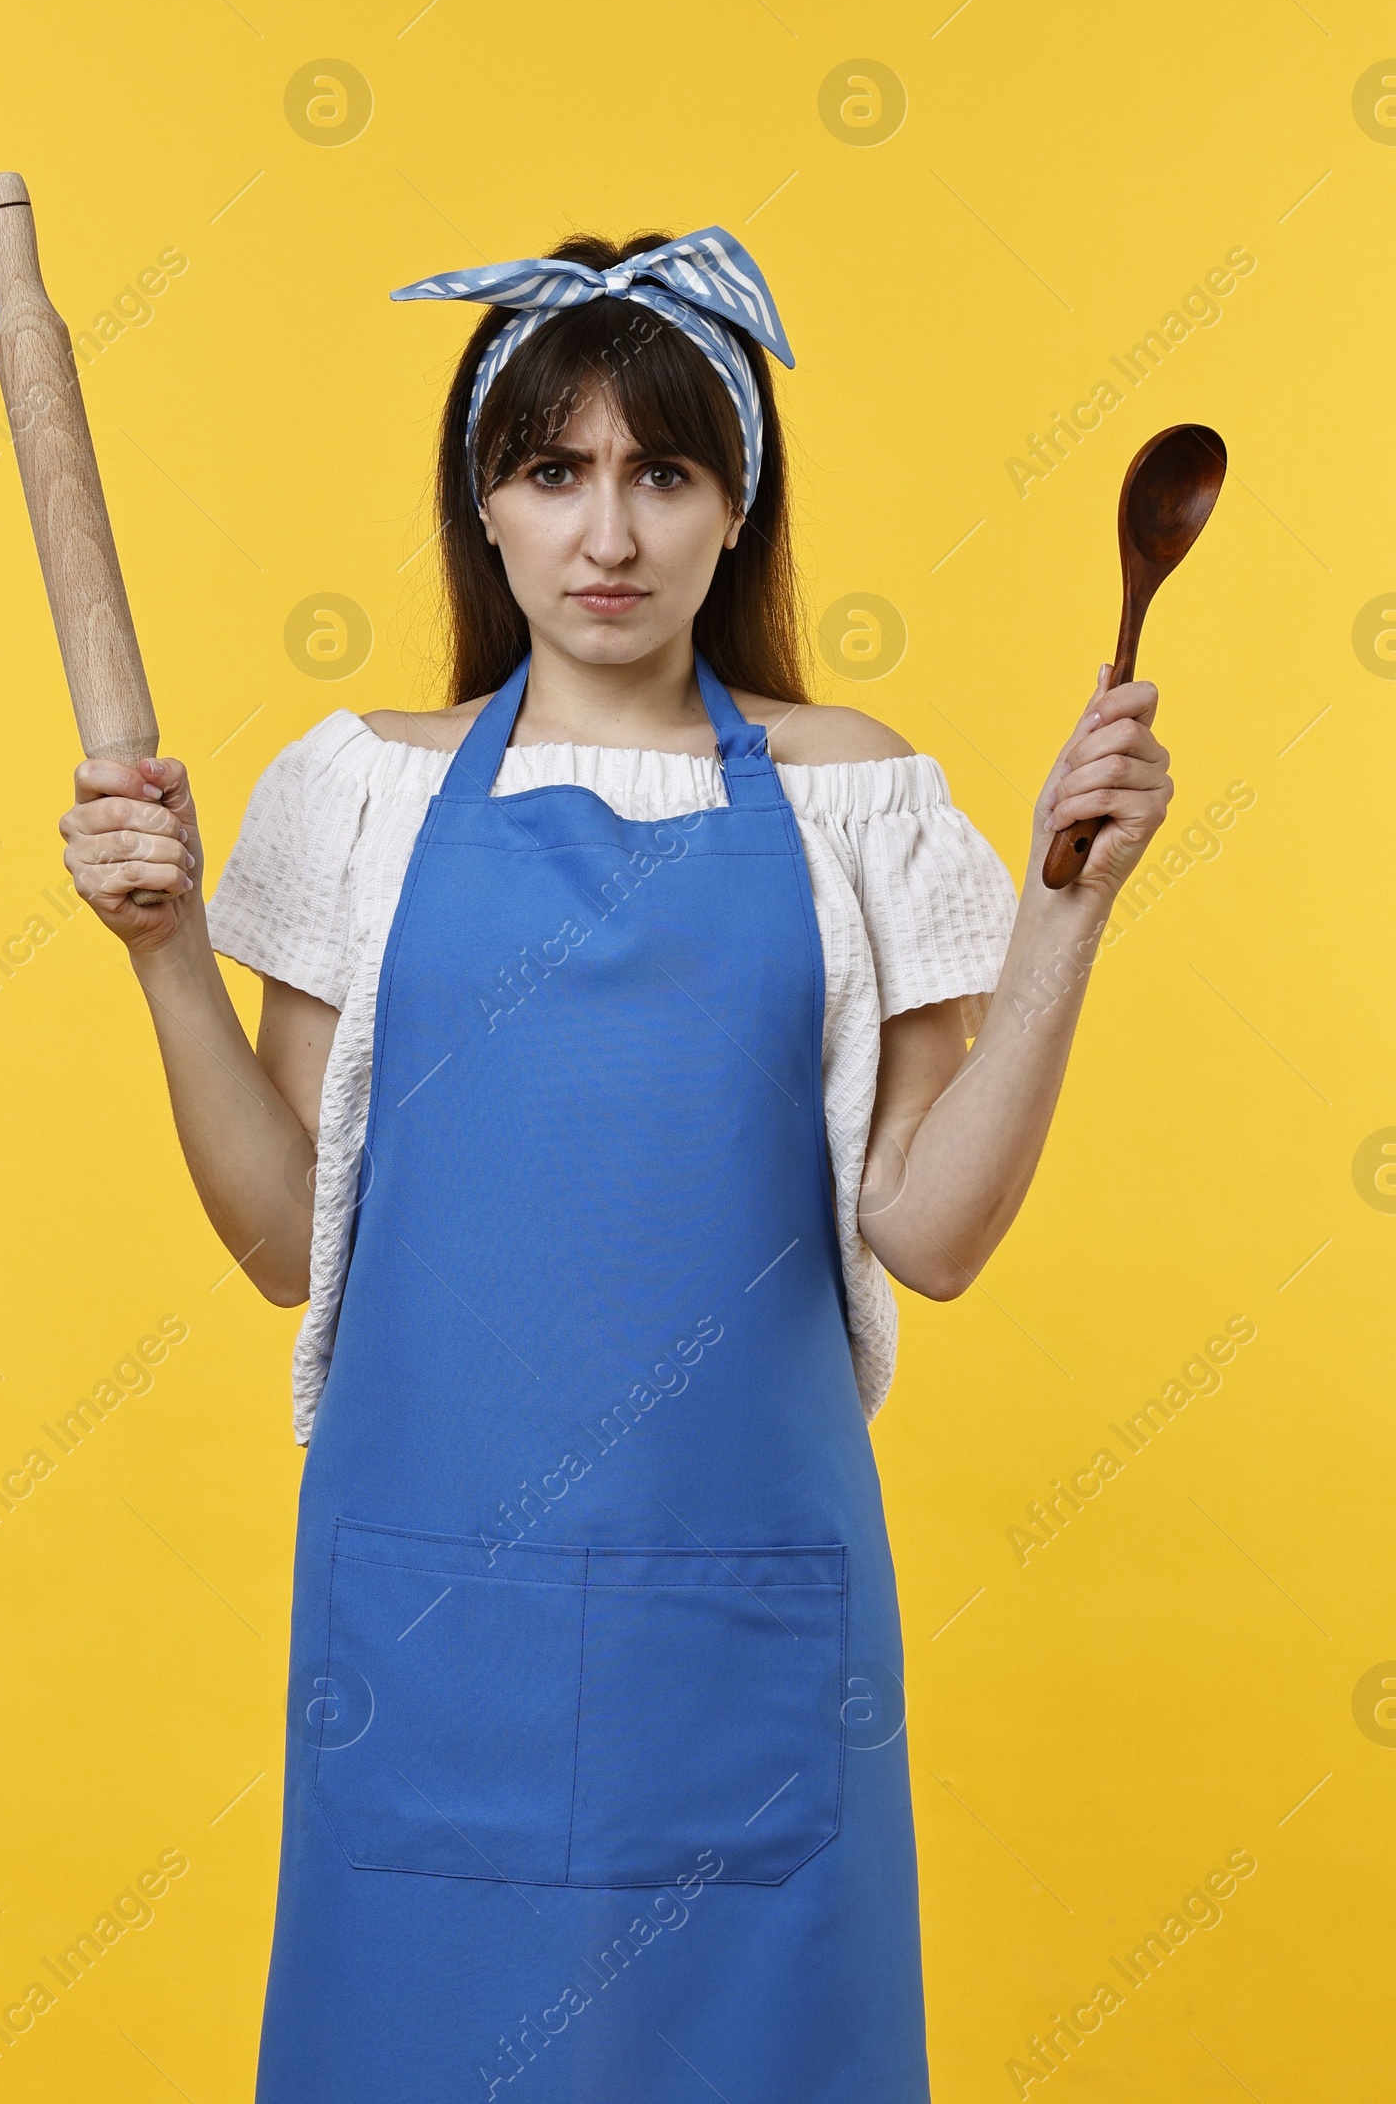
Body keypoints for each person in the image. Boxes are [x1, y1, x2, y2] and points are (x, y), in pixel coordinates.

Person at [60, 227, 1173, 2100]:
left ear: (736, 509)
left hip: (742, 1648)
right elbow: (279, 1241)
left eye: (663, 474)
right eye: (552, 471)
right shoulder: (364, 793)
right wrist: (165, 952)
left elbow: (935, 1230)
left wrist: (1070, 918)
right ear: (479, 508)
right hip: (436, 1643)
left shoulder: (850, 792)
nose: (608, 535)